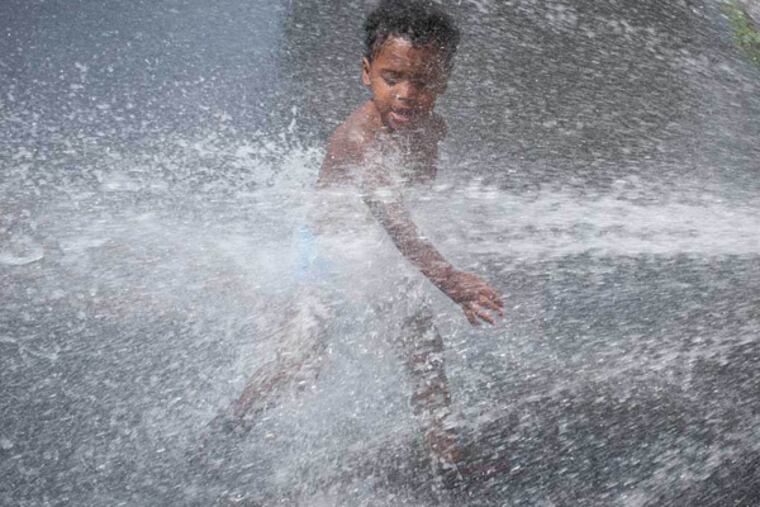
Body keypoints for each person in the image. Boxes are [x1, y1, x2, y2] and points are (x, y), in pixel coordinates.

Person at [205, 0, 504, 481]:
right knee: (303, 359)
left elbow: (412, 201)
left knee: (422, 347)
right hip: (328, 250)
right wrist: (451, 281)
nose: (406, 93)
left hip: (378, 246)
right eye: (393, 78)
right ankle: (228, 428)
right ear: (367, 73)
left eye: (423, 82)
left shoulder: (429, 126)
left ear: (443, 82)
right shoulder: (357, 140)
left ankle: (446, 460)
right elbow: (396, 226)